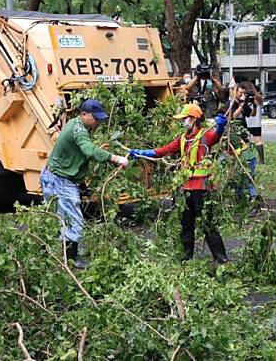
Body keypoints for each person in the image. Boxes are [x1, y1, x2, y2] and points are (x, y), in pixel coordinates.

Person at [130, 104, 229, 264]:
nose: (183, 121)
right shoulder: (183, 138)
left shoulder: (206, 135)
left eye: (185, 118)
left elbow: (216, 135)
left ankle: (221, 259)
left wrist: (221, 125)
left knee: (207, 224)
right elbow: (163, 150)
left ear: (194, 119)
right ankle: (186, 258)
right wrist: (143, 153)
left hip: (202, 188)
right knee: (186, 224)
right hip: (185, 189)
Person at [41, 99, 129, 268]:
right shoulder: (79, 129)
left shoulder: (76, 124)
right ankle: (71, 261)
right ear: (84, 114)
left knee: (57, 219)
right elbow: (88, 150)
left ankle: (53, 257)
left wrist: (81, 186)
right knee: (73, 221)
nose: (98, 122)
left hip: (54, 176)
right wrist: (115, 158)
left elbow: (79, 155)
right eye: (95, 118)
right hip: (60, 180)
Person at [244, 82, 265, 164]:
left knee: (247, 141)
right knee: (258, 140)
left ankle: (248, 158)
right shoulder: (258, 97)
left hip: (247, 121)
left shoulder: (245, 97)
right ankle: (261, 159)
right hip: (256, 123)